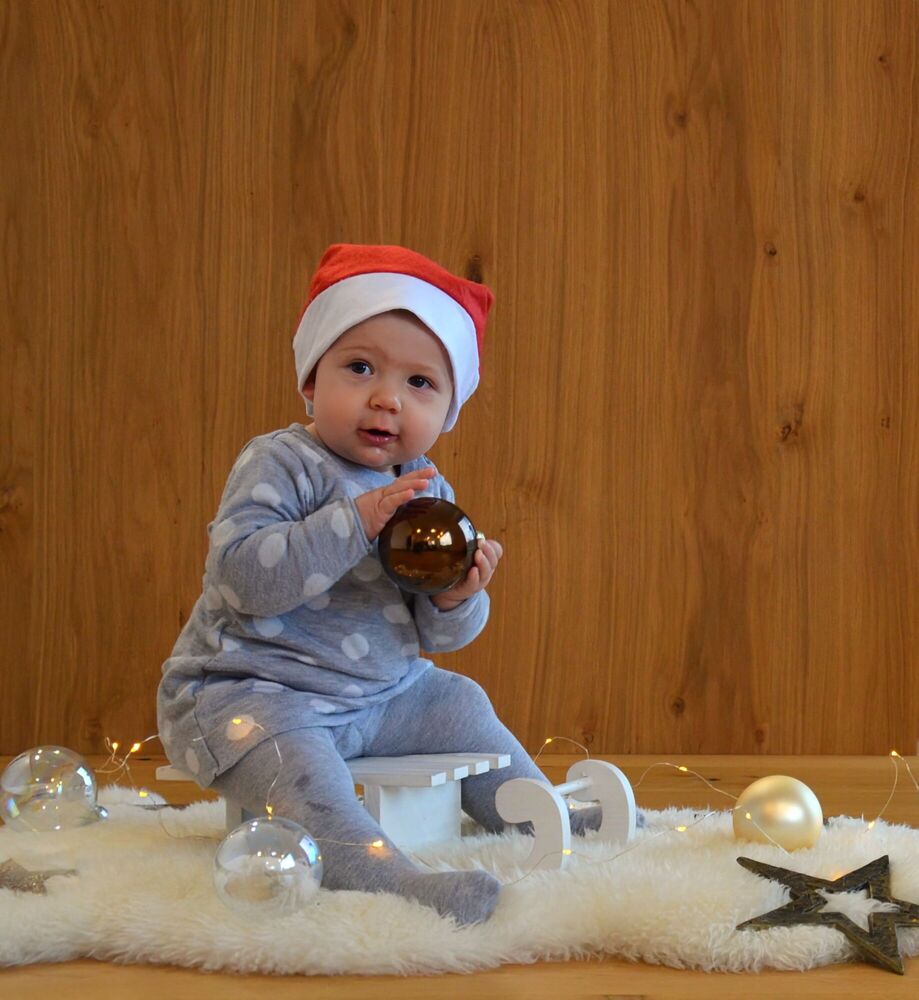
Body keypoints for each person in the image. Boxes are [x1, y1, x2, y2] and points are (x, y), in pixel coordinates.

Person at [157, 243, 601, 926]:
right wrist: (354, 522)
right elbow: (242, 579)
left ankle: (538, 811)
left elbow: (436, 636)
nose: (386, 398)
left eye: (420, 382)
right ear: (311, 380)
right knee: (299, 768)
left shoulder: (426, 489)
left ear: (448, 411)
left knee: (457, 700)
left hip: (380, 697)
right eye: (360, 367)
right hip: (254, 695)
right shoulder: (282, 462)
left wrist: (455, 598)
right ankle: (385, 876)